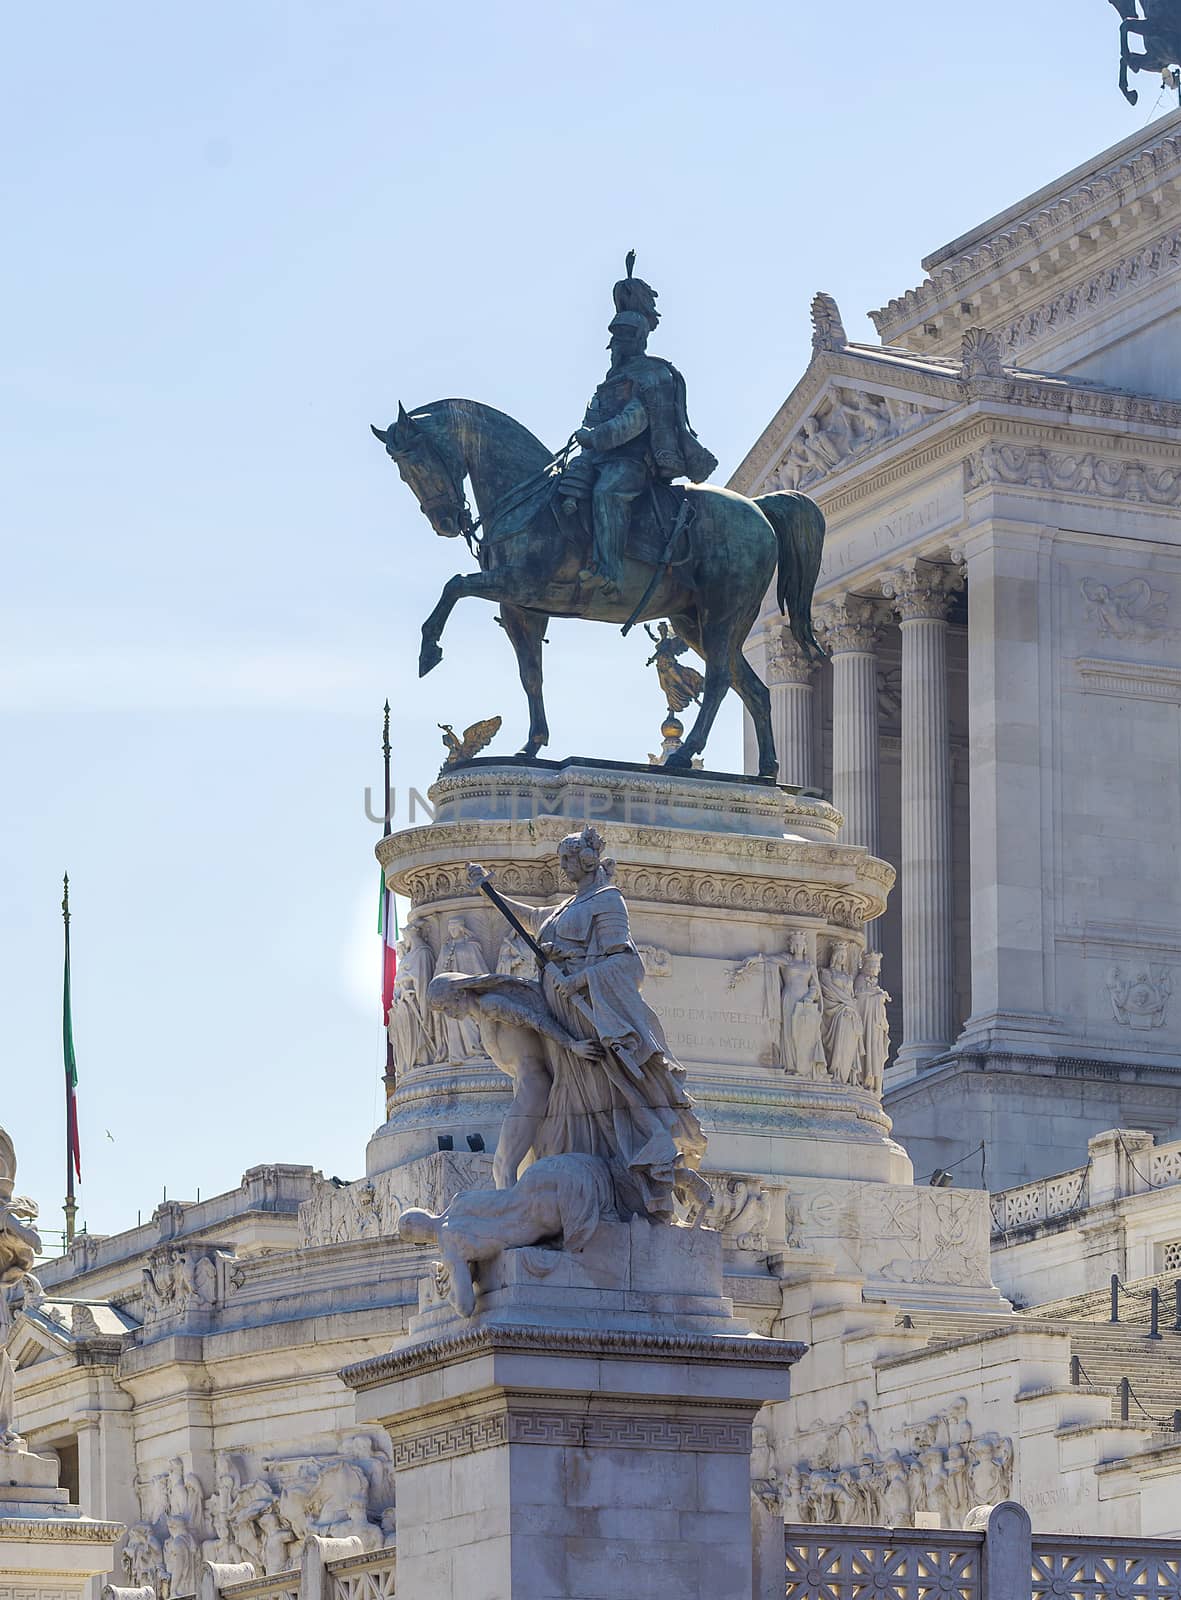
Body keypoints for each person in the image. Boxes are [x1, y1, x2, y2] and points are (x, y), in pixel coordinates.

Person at [466, 826, 707, 1220]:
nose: (563, 867)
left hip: (589, 1015)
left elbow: (628, 963)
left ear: (587, 860)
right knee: (570, 1097)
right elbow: (530, 919)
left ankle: (629, 1183)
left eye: (568, 859)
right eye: (561, 859)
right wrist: (489, 893)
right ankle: (575, 1177)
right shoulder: (567, 905)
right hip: (562, 1016)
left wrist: (579, 978)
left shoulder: (607, 901)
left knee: (605, 1095)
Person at [559, 257, 717, 599]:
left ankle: (609, 571)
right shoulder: (611, 378)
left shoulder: (651, 374)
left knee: (607, 493)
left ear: (637, 340)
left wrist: (596, 437)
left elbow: (634, 419)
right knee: (564, 489)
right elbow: (596, 416)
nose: (617, 346)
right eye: (615, 340)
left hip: (632, 462)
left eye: (623, 339)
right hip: (598, 456)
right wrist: (587, 439)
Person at [428, 973, 604, 1188]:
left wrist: (571, 1044)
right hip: (524, 1086)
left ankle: (511, 1217)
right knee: (512, 1166)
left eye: (446, 1006)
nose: (448, 1014)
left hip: (534, 1085)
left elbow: (535, 1020)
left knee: (503, 1166)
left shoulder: (490, 1005)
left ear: (461, 993)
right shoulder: (482, 1016)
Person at [399, 1152, 618, 1317]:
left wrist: (447, 1290)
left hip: (542, 1218)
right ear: (426, 1211)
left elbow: (466, 1307)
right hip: (542, 1175)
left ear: (420, 1241)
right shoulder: (460, 1200)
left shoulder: (451, 1247)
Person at [819, 942, 865, 1086]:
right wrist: (848, 1003)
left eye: (844, 955)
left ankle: (845, 1076)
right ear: (834, 956)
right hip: (836, 1013)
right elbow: (829, 991)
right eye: (840, 954)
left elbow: (852, 995)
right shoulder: (826, 973)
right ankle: (835, 1072)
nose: (842, 957)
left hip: (850, 1015)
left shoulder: (848, 976)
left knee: (849, 1047)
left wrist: (850, 1004)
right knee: (838, 1045)